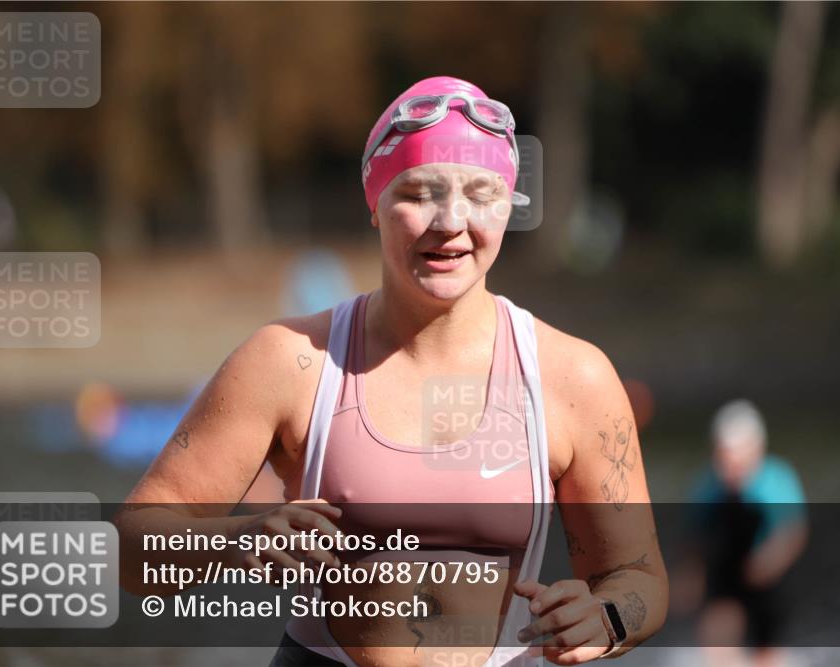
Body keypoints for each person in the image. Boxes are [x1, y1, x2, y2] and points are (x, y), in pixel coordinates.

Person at [117, 76, 667, 667]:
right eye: (419, 192)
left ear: (509, 207)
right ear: (374, 204)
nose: (451, 222)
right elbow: (133, 550)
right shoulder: (290, 361)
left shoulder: (571, 378)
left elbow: (636, 576)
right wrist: (237, 540)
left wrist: (606, 618)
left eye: (481, 194)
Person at [678, 400, 808, 667]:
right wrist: (691, 576)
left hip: (767, 575)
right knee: (717, 631)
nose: (730, 465)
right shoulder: (709, 487)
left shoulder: (775, 481)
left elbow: (793, 530)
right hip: (726, 566)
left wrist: (770, 559)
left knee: (766, 638)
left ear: (755, 450)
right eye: (724, 456)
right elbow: (696, 537)